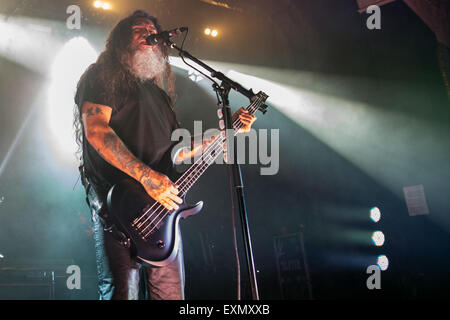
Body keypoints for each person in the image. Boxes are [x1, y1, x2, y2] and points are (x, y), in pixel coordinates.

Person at [73, 10, 256, 300]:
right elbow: (96, 132)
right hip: (120, 207)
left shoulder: (158, 96)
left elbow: (178, 149)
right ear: (121, 39)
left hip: (161, 213)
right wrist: (147, 177)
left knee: (172, 296)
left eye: (152, 28)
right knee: (123, 295)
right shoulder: (101, 76)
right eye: (139, 28)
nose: (149, 32)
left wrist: (225, 134)